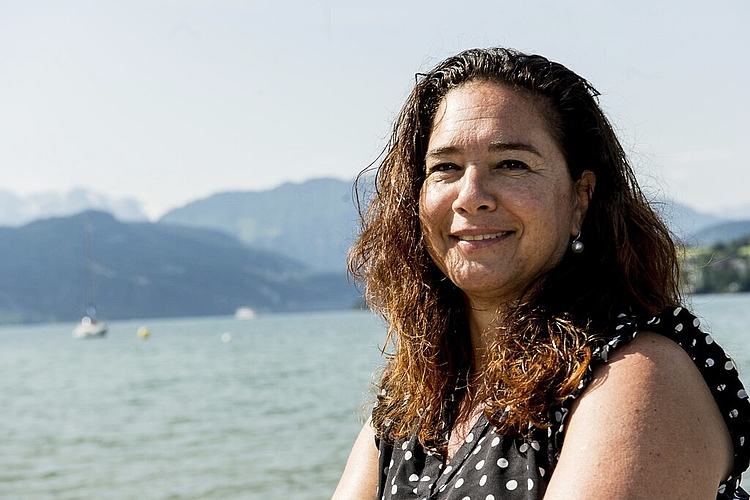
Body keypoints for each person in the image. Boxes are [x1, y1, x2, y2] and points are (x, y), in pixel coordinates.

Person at [332, 47, 750, 500]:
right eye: (445, 168)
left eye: (512, 164)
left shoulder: (638, 375)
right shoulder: (415, 396)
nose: (470, 197)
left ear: (580, 199)